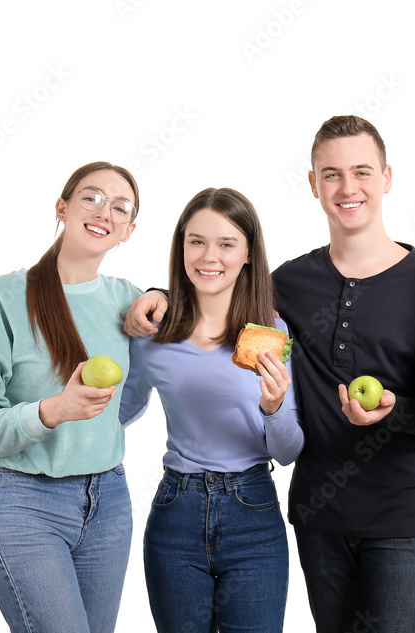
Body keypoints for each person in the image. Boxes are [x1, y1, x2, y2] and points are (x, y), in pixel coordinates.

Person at [125, 115, 415, 633]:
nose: (347, 187)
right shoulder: (286, 285)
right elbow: (217, 283)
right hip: (316, 515)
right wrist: (160, 297)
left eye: (361, 171)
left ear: (387, 177)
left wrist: (394, 409)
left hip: (404, 519)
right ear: (313, 184)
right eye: (331, 174)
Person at [0, 161, 142, 633]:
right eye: (91, 197)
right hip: (26, 503)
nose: (105, 211)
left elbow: (133, 399)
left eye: (121, 208)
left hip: (110, 503)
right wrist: (54, 410)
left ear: (128, 231)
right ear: (62, 207)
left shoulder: (131, 301)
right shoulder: (0, 296)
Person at [119, 187, 303, 632]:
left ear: (248, 255)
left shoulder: (271, 334)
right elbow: (121, 411)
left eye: (226, 243)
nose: (209, 256)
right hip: (175, 513)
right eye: (196, 241)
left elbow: (288, 451)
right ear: (181, 246)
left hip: (253, 514)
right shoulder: (152, 332)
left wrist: (274, 405)